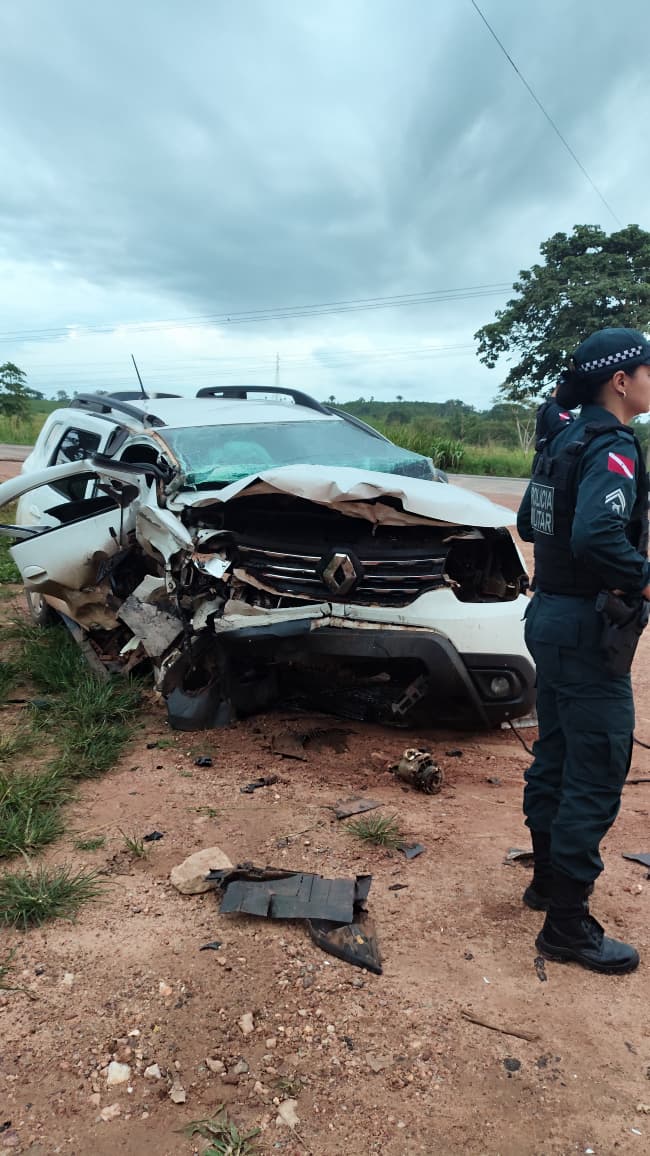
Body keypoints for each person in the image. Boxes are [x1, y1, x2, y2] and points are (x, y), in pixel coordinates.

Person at [517, 327, 650, 974]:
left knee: (558, 752)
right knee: (595, 769)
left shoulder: (563, 438)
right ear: (621, 381)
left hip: (547, 616)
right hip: (585, 632)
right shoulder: (614, 445)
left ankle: (546, 883)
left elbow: (527, 523)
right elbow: (597, 533)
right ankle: (566, 927)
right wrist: (642, 574)